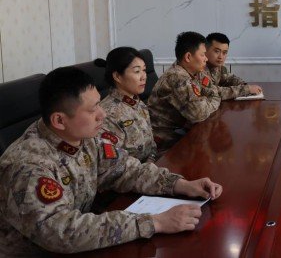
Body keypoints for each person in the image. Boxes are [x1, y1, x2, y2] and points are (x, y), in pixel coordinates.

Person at [0, 67, 223, 256]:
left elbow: (125, 169)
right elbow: (62, 232)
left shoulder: (82, 137)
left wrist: (181, 185)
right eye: (92, 110)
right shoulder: (28, 166)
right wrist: (154, 222)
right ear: (59, 120)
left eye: (99, 104)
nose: (103, 114)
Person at [148, 32, 221, 151]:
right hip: (164, 142)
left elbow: (212, 91)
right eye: (203, 55)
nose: (206, 59)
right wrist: (213, 100)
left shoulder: (191, 71)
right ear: (188, 57)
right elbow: (198, 114)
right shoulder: (177, 77)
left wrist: (206, 100)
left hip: (180, 131)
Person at [96, 47, 157, 162]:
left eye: (144, 70)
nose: (144, 76)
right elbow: (115, 164)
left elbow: (151, 144)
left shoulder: (137, 102)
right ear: (117, 76)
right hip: (133, 172)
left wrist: (152, 161)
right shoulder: (108, 115)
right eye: (137, 71)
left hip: (152, 164)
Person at [204, 32, 262, 100]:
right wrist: (245, 89)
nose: (221, 57)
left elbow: (229, 78)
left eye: (224, 52)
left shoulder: (219, 65)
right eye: (217, 51)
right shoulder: (199, 68)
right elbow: (213, 92)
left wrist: (245, 85)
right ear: (205, 50)